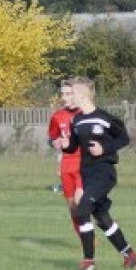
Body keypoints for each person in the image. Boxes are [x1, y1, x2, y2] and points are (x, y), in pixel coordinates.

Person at [59, 77, 136, 270]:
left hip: (104, 173)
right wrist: (66, 145)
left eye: (72, 93)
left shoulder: (104, 118)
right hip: (87, 174)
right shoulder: (76, 120)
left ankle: (88, 262)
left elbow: (124, 139)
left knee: (81, 210)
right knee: (102, 218)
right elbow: (73, 147)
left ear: (83, 95)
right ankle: (130, 255)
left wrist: (104, 148)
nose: (68, 97)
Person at [47, 79, 84, 240]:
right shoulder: (57, 117)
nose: (64, 97)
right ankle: (84, 238)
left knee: (80, 201)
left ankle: (91, 232)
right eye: (62, 94)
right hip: (66, 164)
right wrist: (54, 143)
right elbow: (52, 138)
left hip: (83, 163)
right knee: (72, 207)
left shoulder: (85, 114)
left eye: (68, 94)